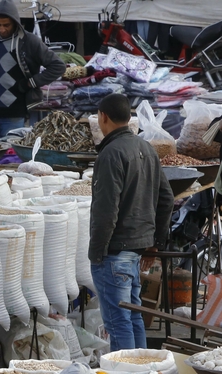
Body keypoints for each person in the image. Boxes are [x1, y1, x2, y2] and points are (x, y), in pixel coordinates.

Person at [89, 93, 174, 352]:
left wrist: (97, 253)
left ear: (103, 117)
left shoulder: (111, 153)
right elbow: (167, 198)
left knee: (118, 322)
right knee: (133, 315)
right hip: (135, 251)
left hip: (115, 252)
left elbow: (106, 211)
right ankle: (143, 373)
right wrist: (154, 243)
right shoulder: (146, 147)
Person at [0, 0, 64, 140]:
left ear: (16, 22)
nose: (2, 29)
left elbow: (58, 66)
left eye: (6, 25)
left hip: (14, 116)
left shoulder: (29, 41)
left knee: (10, 157)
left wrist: (30, 83)